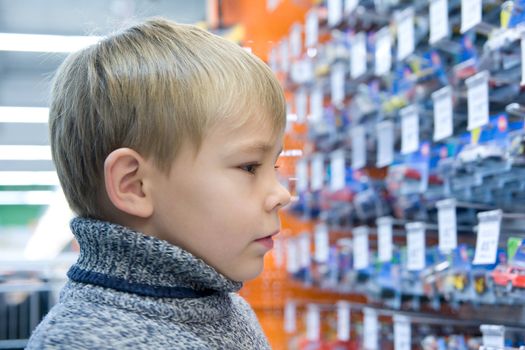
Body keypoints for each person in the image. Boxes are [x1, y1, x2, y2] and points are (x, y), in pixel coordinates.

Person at [26, 17, 291, 349]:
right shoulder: (86, 341)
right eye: (250, 166)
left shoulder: (228, 309)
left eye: (275, 165)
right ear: (134, 185)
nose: (282, 194)